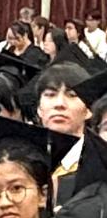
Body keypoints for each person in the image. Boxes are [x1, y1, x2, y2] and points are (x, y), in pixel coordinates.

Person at [32, 63, 105, 205]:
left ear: (88, 110)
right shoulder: (25, 162)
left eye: (72, 95)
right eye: (50, 95)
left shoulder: (99, 164)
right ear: (39, 109)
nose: (59, 104)